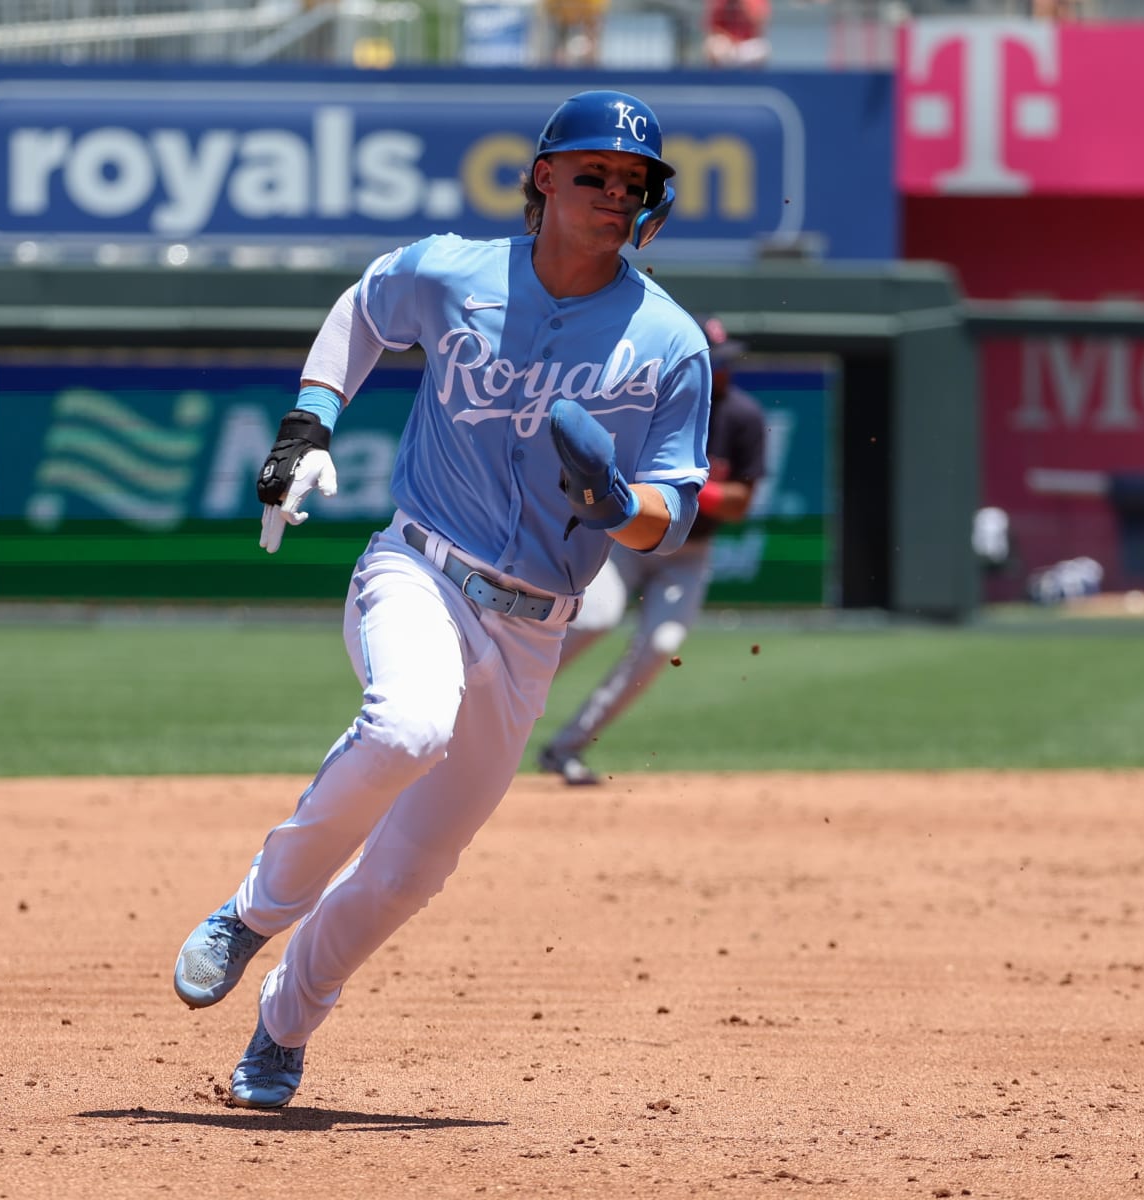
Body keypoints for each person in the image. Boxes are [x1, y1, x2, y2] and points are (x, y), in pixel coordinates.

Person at [172, 90, 712, 1108]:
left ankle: (283, 1027)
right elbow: (365, 307)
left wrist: (616, 503)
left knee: (411, 873)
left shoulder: (670, 341)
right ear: (544, 177)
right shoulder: (454, 271)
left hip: (534, 626)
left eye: (632, 183)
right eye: (593, 173)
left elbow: (671, 513)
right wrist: (310, 421)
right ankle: (249, 915)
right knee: (409, 723)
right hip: (417, 565)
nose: (613, 194)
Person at [536, 315, 766, 785]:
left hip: (689, 554)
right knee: (595, 618)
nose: (721, 371)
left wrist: (689, 488)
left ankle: (565, 749)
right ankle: (503, 699)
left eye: (725, 362)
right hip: (629, 542)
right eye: (713, 362)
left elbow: (742, 504)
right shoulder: (660, 405)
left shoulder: (743, 417)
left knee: (660, 647)